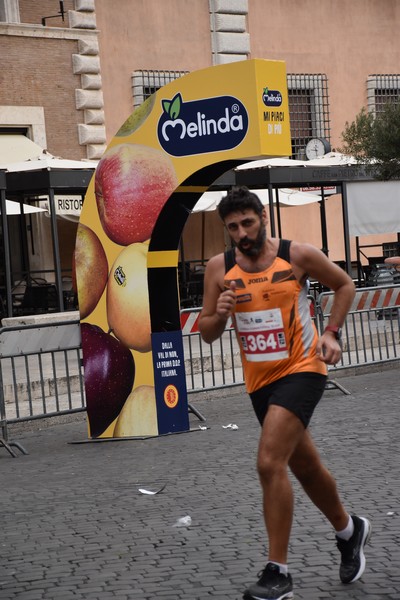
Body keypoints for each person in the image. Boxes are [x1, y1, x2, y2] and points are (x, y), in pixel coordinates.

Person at [198, 186, 371, 600]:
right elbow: (205, 332)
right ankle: (349, 531)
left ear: (263, 218)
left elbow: (344, 285)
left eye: (248, 222)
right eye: (233, 227)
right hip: (260, 382)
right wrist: (218, 315)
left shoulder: (297, 255)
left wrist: (332, 332)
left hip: (303, 369)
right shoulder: (218, 268)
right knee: (305, 467)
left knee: (268, 461)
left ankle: (278, 573)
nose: (241, 232)